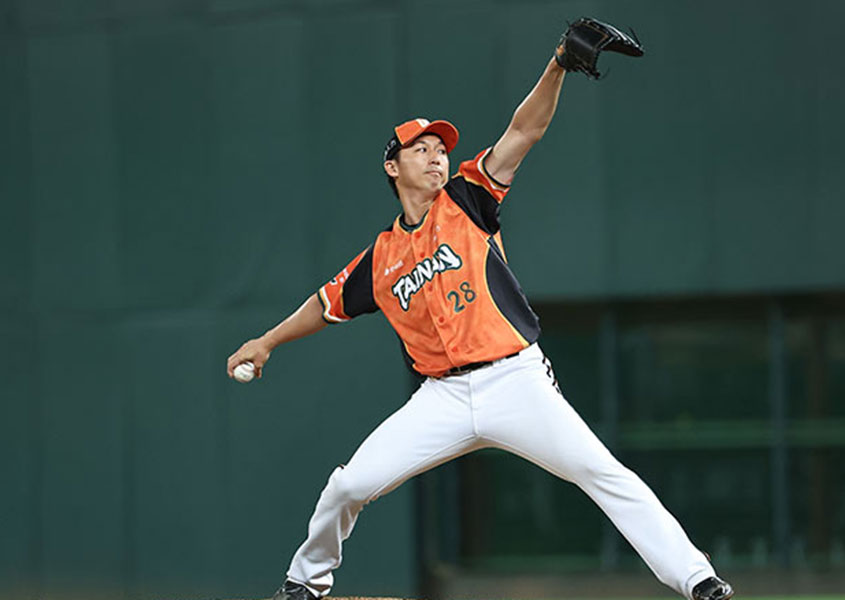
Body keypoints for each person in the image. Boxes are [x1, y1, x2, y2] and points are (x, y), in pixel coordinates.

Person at [227, 25, 735, 600]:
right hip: (440, 398)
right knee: (349, 486)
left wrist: (559, 64)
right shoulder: (382, 258)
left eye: (440, 149)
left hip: (514, 379)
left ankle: (699, 580)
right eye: (421, 149)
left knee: (603, 474)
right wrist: (266, 341)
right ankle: (304, 584)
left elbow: (525, 130)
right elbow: (325, 305)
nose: (436, 156)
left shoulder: (469, 197)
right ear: (393, 167)